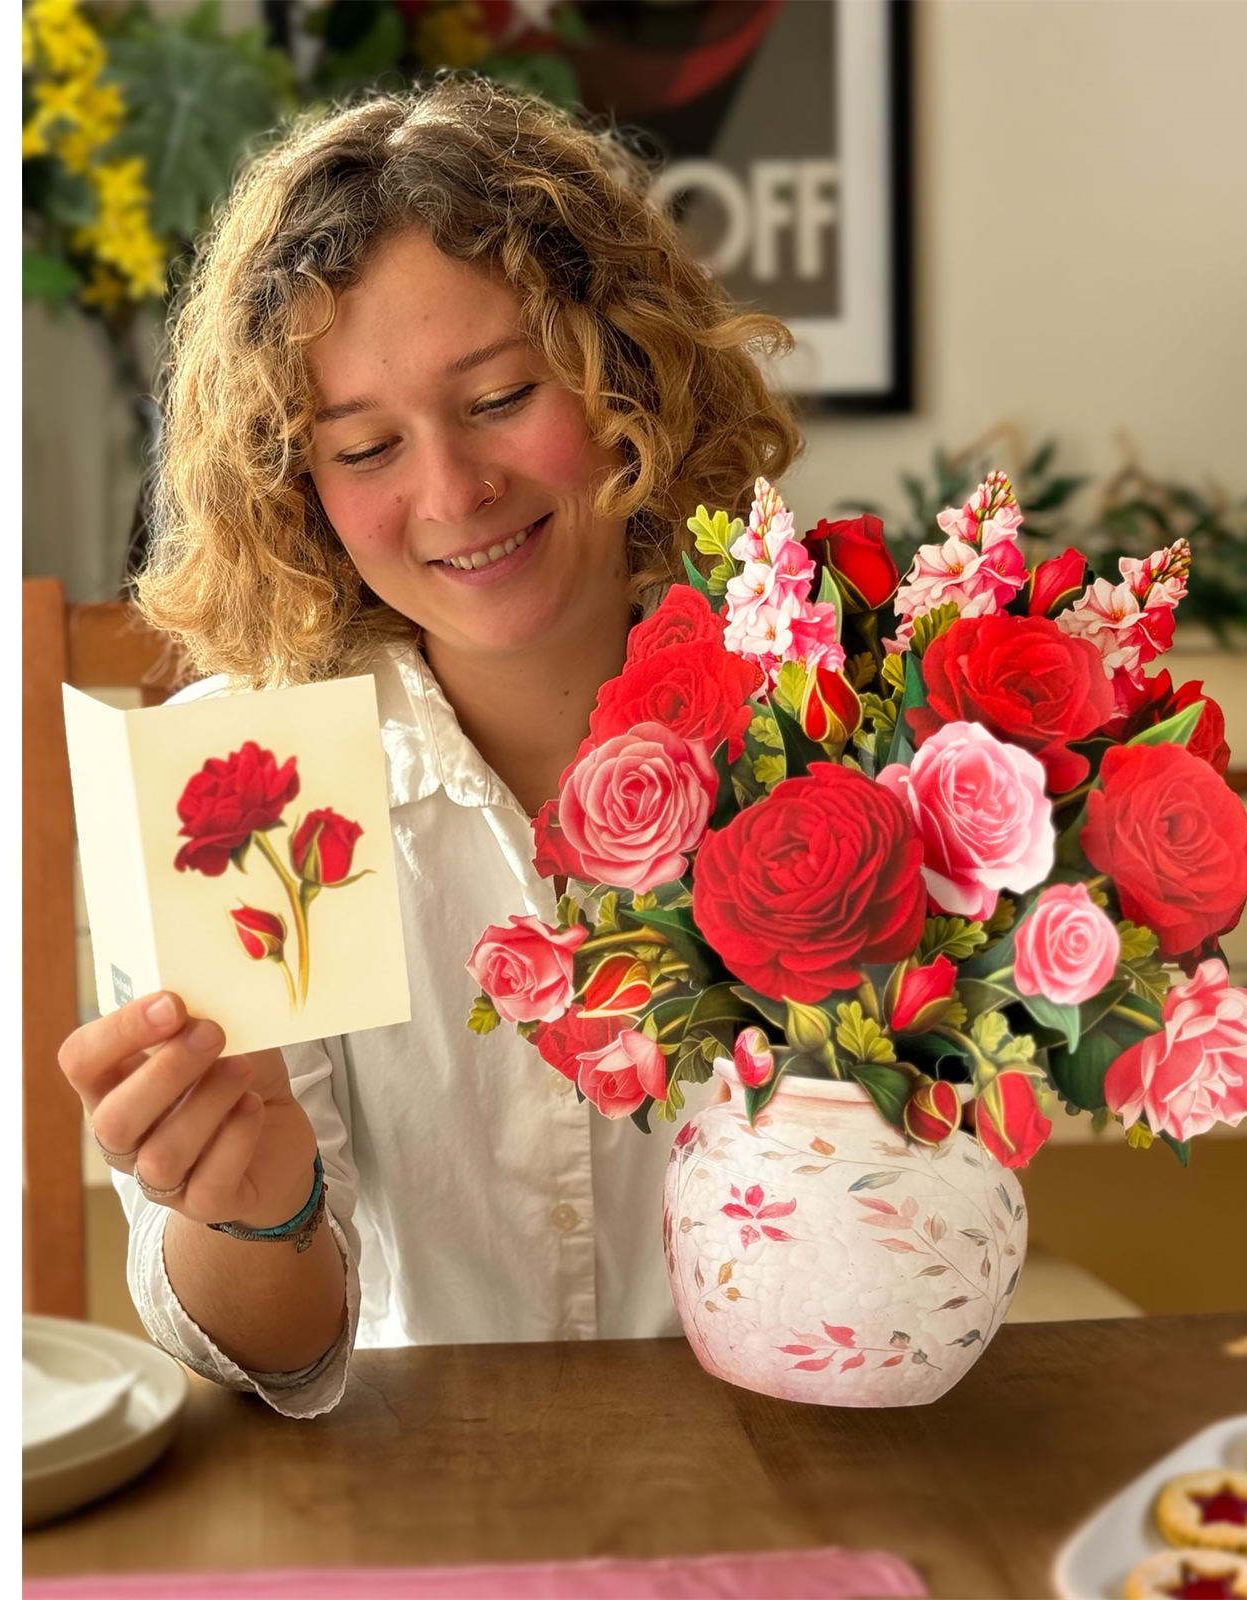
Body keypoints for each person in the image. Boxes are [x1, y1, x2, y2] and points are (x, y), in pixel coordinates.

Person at [56, 78, 801, 1418]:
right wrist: (258, 1207)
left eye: (502, 395)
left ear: (625, 373)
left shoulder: (830, 718)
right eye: (365, 448)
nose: (454, 492)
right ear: (299, 490)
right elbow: (284, 1359)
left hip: (788, 1466)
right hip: (418, 1493)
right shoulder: (240, 792)